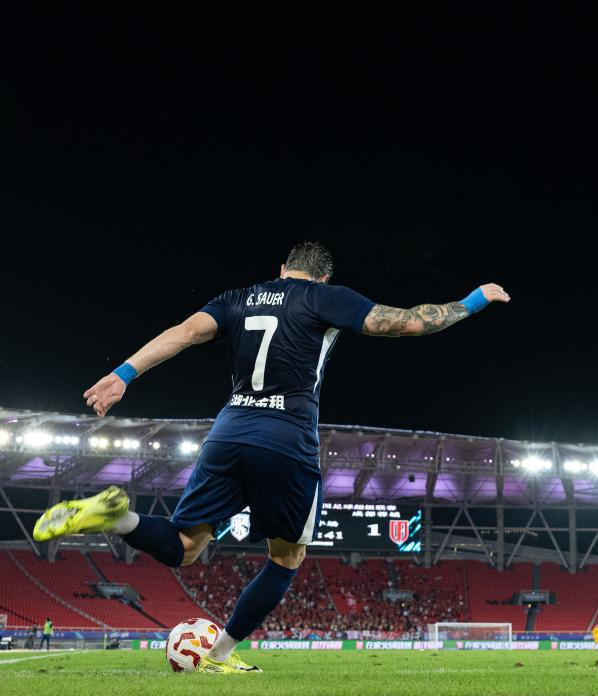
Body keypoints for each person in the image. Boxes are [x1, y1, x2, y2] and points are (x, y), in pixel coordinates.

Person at [32, 241, 509, 674]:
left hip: (228, 432)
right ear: (323, 277)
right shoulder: (325, 297)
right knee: (287, 557)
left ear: (281, 268)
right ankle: (219, 656)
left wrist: (123, 374)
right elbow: (408, 322)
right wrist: (473, 300)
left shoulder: (237, 298)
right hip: (287, 438)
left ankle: (117, 519)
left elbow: (184, 332)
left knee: (185, 546)